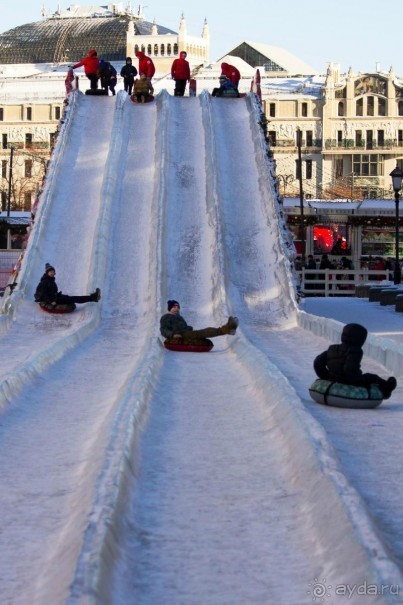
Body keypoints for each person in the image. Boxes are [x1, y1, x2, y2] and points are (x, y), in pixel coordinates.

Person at [313, 323, 397, 399]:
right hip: (350, 380)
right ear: (360, 339)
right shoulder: (356, 351)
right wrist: (357, 380)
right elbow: (349, 370)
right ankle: (387, 388)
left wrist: (326, 376)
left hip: (332, 377)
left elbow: (318, 363)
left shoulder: (332, 348)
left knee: (368, 377)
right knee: (372, 377)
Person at [160, 300, 239, 343]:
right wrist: (173, 335)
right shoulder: (166, 317)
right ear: (169, 308)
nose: (176, 308)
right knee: (204, 332)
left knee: (203, 334)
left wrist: (188, 328)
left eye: (177, 307)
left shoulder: (179, 317)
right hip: (179, 335)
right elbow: (163, 330)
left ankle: (228, 329)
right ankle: (227, 329)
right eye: (174, 307)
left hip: (185, 333)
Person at [34, 263, 101, 307]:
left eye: (53, 272)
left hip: (55, 297)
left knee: (71, 298)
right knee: (73, 299)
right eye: (50, 272)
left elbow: (52, 292)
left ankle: (93, 297)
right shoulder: (45, 281)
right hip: (53, 300)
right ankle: (93, 298)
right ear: (47, 273)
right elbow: (43, 294)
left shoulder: (51, 281)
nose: (52, 273)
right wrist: (51, 301)